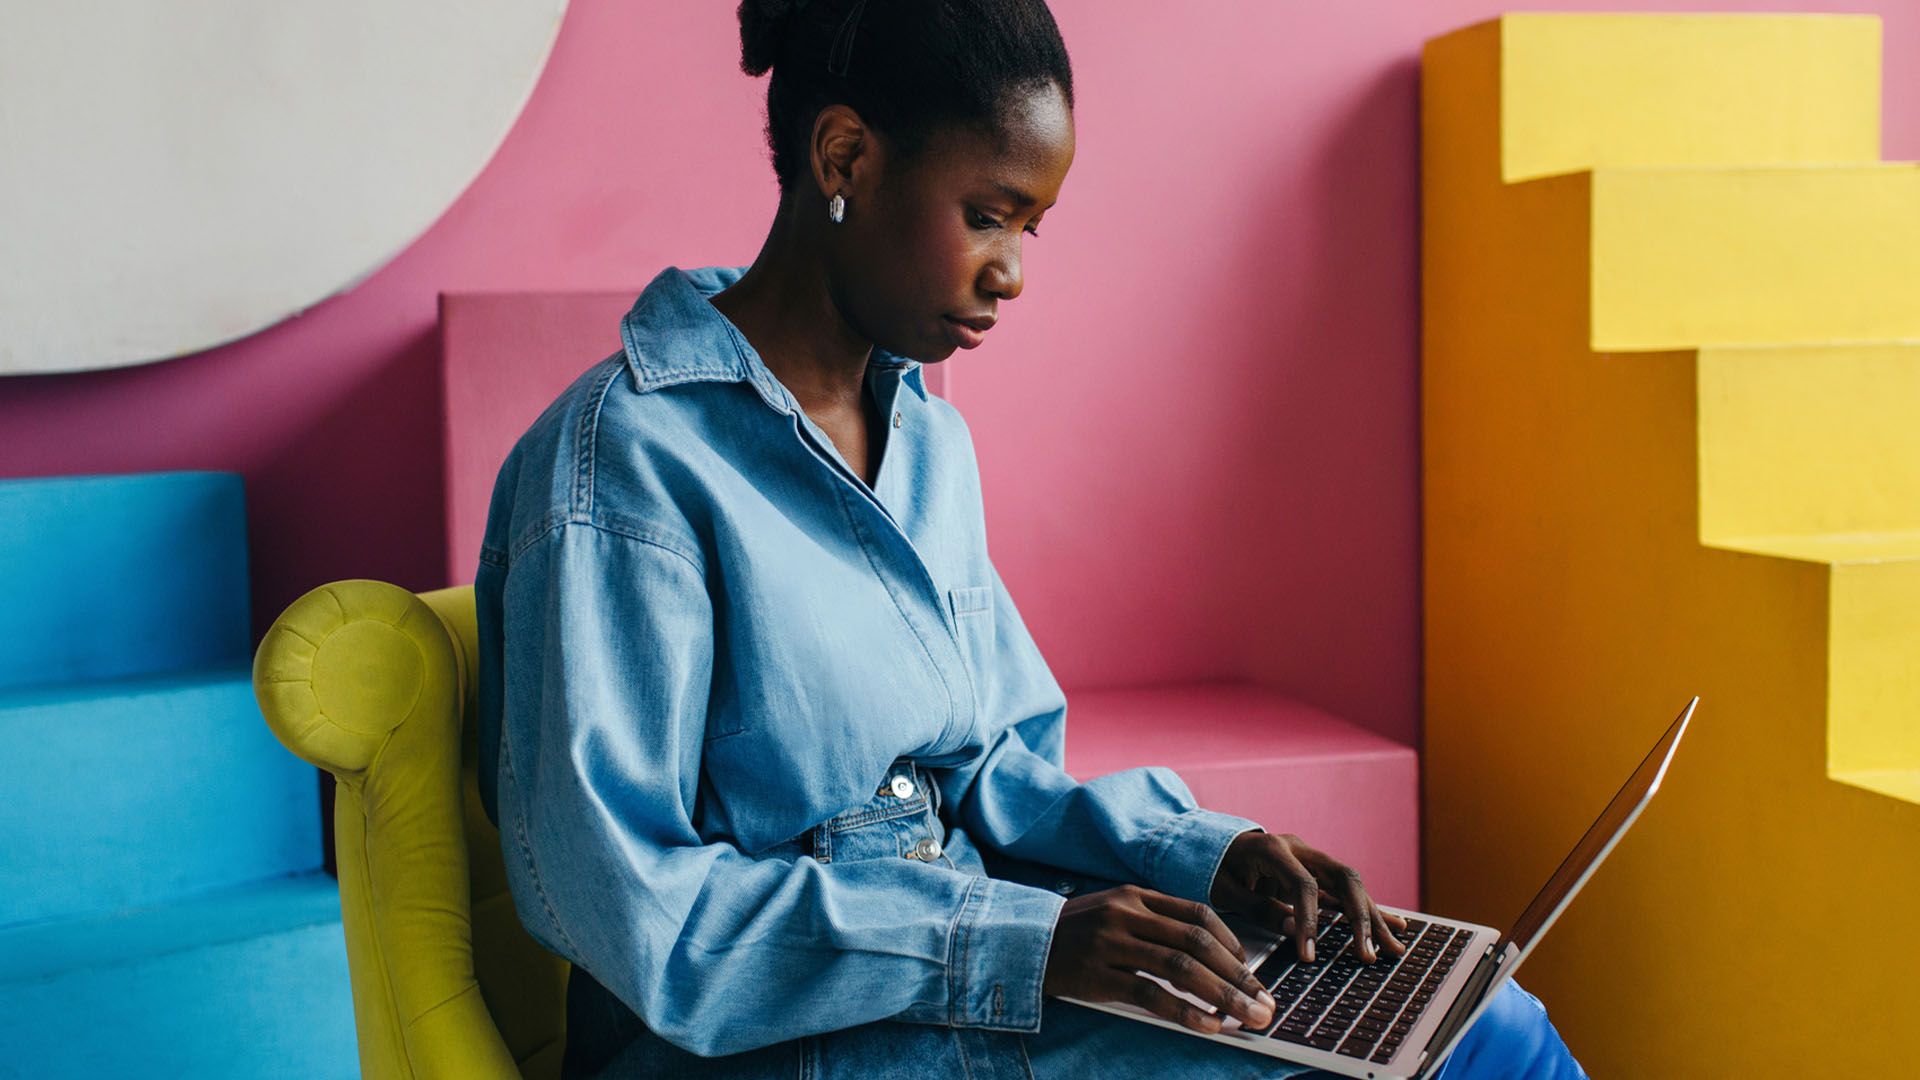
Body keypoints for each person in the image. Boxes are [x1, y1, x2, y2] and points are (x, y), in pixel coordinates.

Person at [472, 1, 1589, 1076]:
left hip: (954, 990)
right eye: (987, 214)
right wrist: (1026, 944)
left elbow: (995, 767)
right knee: (1467, 1042)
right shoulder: (620, 465)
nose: (1012, 273)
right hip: (752, 1049)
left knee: (1452, 1005)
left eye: (1030, 227)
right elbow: (635, 908)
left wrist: (1214, 855)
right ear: (847, 156)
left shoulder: (925, 443)